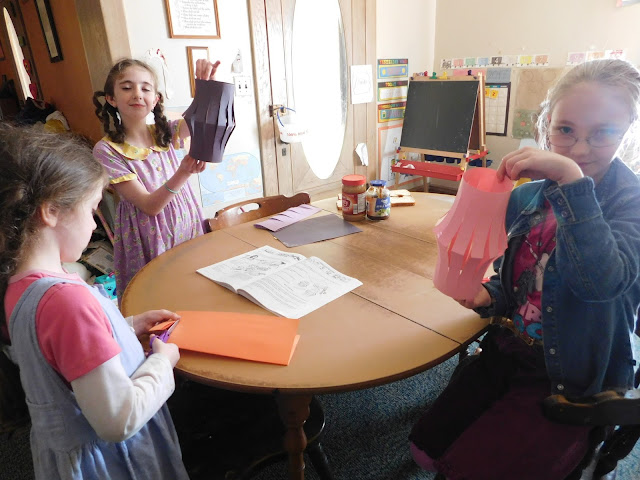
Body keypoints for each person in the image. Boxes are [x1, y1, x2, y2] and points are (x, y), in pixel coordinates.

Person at [410, 58, 640, 480]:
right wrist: (489, 295)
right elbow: (517, 278)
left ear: (627, 131)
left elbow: (601, 283)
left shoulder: (632, 203)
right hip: (510, 350)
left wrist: (571, 181)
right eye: (565, 129)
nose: (580, 149)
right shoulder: (527, 197)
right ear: (546, 125)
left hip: (571, 378)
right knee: (426, 444)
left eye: (603, 132)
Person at [0, 125, 189, 479]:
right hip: (112, 462)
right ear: (51, 211)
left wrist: (127, 328)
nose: (93, 224)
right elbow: (119, 419)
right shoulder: (65, 301)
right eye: (91, 210)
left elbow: (60, 352)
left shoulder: (17, 285)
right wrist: (163, 363)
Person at [92, 57, 221, 300]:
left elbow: (202, 119)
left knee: (194, 288)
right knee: (161, 296)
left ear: (155, 99)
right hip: (148, 236)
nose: (137, 94)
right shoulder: (106, 150)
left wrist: (205, 86)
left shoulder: (166, 132)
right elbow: (150, 206)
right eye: (127, 87)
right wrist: (183, 172)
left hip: (187, 224)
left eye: (145, 88)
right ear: (111, 98)